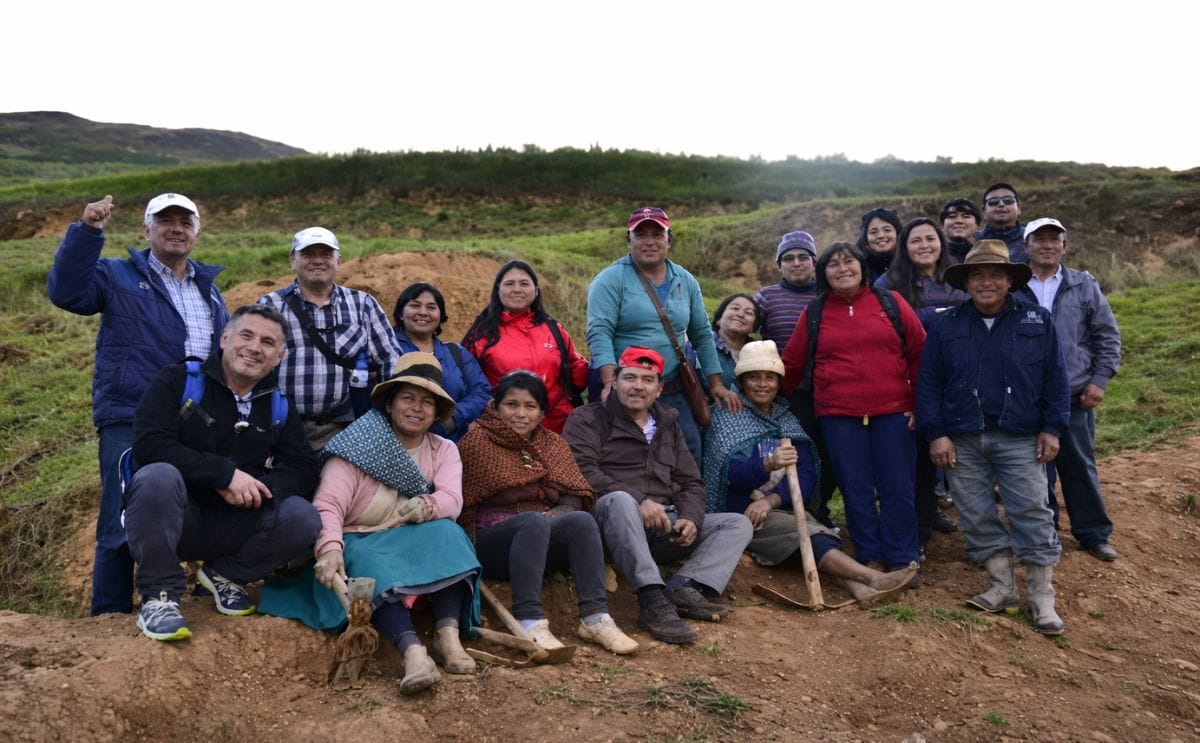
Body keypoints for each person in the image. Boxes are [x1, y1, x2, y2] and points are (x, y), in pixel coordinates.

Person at [47, 192, 229, 616]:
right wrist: (88, 232)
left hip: (197, 422)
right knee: (119, 518)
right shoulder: (117, 275)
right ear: (146, 230)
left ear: (197, 233)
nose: (176, 228)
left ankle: (205, 605)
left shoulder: (211, 291)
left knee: (205, 506)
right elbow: (67, 294)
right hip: (130, 415)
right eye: (164, 220)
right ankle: (108, 616)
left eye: (185, 221)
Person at [259, 352, 482, 694]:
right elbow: (329, 505)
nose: (416, 408)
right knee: (368, 563)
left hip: (412, 535)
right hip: (360, 539)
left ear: (437, 413)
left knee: (450, 535)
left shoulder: (444, 450)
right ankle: (412, 651)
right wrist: (331, 550)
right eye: (408, 398)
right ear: (390, 404)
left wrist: (427, 505)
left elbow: (452, 500)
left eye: (427, 402)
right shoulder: (356, 447)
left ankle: (447, 636)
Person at [124, 305, 320, 641]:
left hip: (238, 521)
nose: (255, 347)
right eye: (246, 335)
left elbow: (303, 467)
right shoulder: (177, 381)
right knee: (157, 476)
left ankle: (227, 575)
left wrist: (260, 489)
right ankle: (159, 597)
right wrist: (224, 475)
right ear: (224, 338)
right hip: (178, 516)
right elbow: (150, 444)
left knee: (304, 517)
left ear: (278, 357)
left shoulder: (278, 404)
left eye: (267, 342)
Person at [916, 240, 1070, 634]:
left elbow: (1056, 378)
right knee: (975, 514)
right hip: (962, 438)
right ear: (966, 282)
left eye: (995, 274)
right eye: (977, 275)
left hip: (1021, 436)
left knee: (1032, 512)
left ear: (1008, 280)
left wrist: (1052, 428)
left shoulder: (1036, 320)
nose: (986, 282)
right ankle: (1002, 586)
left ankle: (1041, 596)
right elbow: (929, 383)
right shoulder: (946, 324)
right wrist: (937, 434)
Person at [702, 341, 917, 607]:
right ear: (742, 382)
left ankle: (863, 591)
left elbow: (806, 475)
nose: (762, 384)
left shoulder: (787, 420)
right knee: (808, 533)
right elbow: (725, 475)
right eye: (754, 377)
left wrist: (770, 501)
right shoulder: (728, 417)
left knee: (816, 531)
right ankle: (872, 578)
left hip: (778, 507)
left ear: (779, 383)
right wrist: (766, 465)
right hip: (741, 513)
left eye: (769, 378)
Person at [564, 347, 752, 644]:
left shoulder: (668, 426)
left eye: (648, 380)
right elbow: (581, 471)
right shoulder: (587, 419)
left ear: (659, 387)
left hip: (664, 525)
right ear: (614, 379)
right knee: (621, 501)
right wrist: (639, 500)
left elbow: (691, 481)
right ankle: (651, 598)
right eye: (630, 377)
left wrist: (690, 517)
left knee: (735, 524)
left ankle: (685, 587)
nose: (638, 386)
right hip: (609, 526)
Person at [458, 371, 638, 655]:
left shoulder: (553, 445)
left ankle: (595, 618)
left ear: (542, 413)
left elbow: (574, 496)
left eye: (530, 406)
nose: (521, 414)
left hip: (542, 537)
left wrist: (550, 518)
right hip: (493, 546)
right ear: (495, 406)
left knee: (581, 520)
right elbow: (464, 506)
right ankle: (530, 621)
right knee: (531, 522)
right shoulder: (478, 442)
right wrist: (539, 519)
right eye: (511, 404)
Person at [781, 242, 926, 574]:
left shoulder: (891, 303)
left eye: (849, 262)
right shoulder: (814, 313)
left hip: (894, 411)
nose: (842, 269)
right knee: (854, 488)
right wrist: (769, 405)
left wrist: (920, 404)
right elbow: (791, 364)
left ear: (862, 267)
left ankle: (902, 557)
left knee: (897, 486)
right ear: (824, 273)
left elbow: (920, 354)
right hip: (839, 416)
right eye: (833, 264)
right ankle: (870, 555)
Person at [586, 207, 741, 465]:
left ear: (669, 240)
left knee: (687, 456)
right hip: (626, 390)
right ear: (629, 240)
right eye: (641, 234)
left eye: (657, 234)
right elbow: (599, 331)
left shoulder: (686, 280)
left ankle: (690, 506)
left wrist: (715, 383)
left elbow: (702, 334)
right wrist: (609, 383)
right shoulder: (610, 279)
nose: (649, 241)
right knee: (626, 460)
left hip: (672, 388)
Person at [1016, 218, 1122, 561]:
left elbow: (1106, 335)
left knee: (1078, 466)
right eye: (1039, 239)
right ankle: (1046, 537)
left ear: (1065, 245)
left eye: (1054, 239)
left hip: (1075, 395)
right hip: (1027, 397)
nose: (1047, 245)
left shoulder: (1083, 284)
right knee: (1036, 473)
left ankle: (1093, 534)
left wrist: (1099, 380)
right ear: (1026, 245)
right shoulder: (1014, 287)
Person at [258, 227, 401, 449]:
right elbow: (252, 366)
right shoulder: (269, 306)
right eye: (308, 254)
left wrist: (384, 418)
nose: (318, 261)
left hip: (346, 429)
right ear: (293, 260)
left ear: (339, 261)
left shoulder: (363, 304)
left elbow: (390, 362)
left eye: (326, 255)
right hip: (283, 428)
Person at [879, 218, 967, 546]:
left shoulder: (960, 278)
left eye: (931, 238)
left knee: (966, 460)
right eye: (915, 240)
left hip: (961, 380)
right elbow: (886, 330)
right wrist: (936, 316)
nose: (924, 245)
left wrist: (929, 318)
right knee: (920, 465)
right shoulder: (888, 282)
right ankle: (919, 537)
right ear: (904, 247)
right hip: (912, 380)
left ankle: (980, 537)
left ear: (942, 243)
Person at [463, 260, 588, 434]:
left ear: (536, 290)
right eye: (509, 284)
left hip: (559, 428)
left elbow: (578, 371)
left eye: (524, 283)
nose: (517, 289)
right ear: (498, 290)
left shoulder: (554, 329)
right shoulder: (482, 333)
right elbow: (467, 384)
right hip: (504, 430)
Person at [392, 282, 491, 442]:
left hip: (453, 444)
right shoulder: (385, 350)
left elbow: (482, 392)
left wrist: (451, 419)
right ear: (401, 313)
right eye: (415, 305)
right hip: (398, 442)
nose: (423, 312)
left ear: (440, 316)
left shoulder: (456, 353)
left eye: (431, 307)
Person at [754, 231, 819, 349]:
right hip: (776, 367)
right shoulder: (765, 297)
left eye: (803, 257)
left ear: (813, 262)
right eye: (788, 259)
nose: (796, 263)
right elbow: (741, 332)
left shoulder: (827, 295)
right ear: (779, 265)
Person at [708, 293, 760, 392]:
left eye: (748, 313)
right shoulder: (698, 346)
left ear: (754, 326)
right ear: (718, 319)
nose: (740, 315)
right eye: (735, 308)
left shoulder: (760, 353)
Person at [974, 183, 1028, 262]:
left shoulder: (1031, 239)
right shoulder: (973, 241)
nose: (1001, 204)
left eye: (1008, 201)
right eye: (993, 202)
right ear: (984, 211)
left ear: (1019, 208)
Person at [855, 207, 903, 283]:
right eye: (873, 232)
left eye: (887, 230)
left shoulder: (910, 262)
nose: (881, 235)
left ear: (898, 233)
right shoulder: (857, 267)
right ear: (865, 238)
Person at [940, 197, 981, 263]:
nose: (959, 221)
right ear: (942, 224)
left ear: (977, 224)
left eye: (966, 216)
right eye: (952, 216)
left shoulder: (981, 254)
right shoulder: (933, 254)